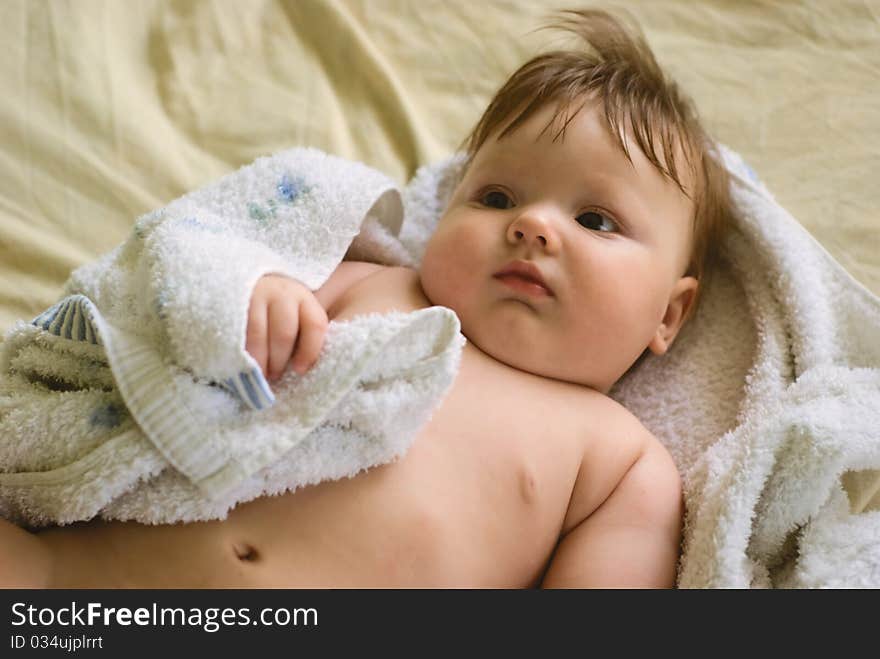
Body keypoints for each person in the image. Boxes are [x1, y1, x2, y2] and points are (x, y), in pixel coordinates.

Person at [1, 9, 731, 588]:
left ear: (668, 313)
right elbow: (192, 282)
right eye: (497, 195)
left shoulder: (619, 462)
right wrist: (256, 291)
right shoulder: (374, 280)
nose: (532, 225)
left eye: (595, 220)